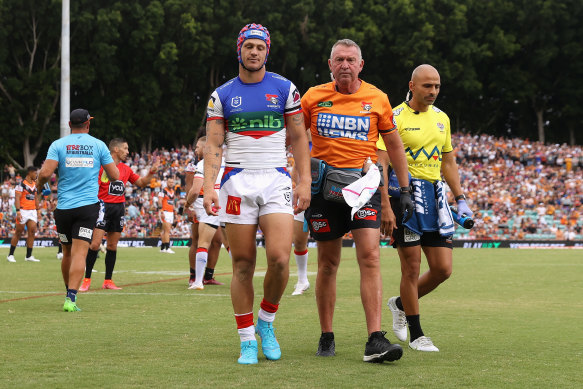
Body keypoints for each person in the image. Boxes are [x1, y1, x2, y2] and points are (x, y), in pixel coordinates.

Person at [202, 23, 311, 365]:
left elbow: (298, 138)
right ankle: (247, 339)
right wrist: (209, 186)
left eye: (260, 48)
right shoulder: (221, 95)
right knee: (244, 264)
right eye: (249, 46)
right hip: (236, 180)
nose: (254, 52)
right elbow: (214, 144)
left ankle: (266, 321)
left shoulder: (285, 89)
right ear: (239, 50)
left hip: (275, 178)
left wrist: (304, 180)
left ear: (267, 51)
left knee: (280, 258)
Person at [301, 39, 413, 363]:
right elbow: (293, 138)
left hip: (363, 189)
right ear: (330, 64)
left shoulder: (377, 98)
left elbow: (394, 147)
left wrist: (403, 190)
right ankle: (326, 335)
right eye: (340, 60)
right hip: (323, 191)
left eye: (351, 60)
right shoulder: (313, 97)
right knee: (328, 263)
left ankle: (374, 339)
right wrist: (296, 179)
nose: (345, 65)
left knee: (371, 257)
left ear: (360, 65)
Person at [381, 64, 473, 352]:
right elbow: (382, 161)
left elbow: (448, 162)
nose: (432, 91)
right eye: (427, 86)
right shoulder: (394, 117)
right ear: (412, 85)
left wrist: (461, 198)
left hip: (434, 197)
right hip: (404, 196)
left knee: (443, 269)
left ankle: (399, 304)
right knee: (411, 267)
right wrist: (386, 202)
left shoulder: (442, 118)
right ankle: (418, 334)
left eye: (436, 86)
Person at [36, 108, 119, 312]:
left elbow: (46, 173)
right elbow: (115, 175)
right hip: (87, 207)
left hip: (64, 207)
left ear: (70, 125)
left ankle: (68, 291)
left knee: (67, 253)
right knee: (80, 253)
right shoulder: (98, 145)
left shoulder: (58, 144)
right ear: (88, 124)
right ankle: (71, 298)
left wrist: (39, 186)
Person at [79, 138, 159, 292]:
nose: (128, 152)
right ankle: (86, 279)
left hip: (118, 209)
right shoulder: (100, 168)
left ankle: (108, 280)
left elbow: (141, 183)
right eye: (125, 148)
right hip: (102, 208)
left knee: (112, 246)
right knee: (95, 244)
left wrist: (151, 172)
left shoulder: (126, 169)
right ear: (116, 150)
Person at [184, 139, 225, 290]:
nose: (195, 150)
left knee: (217, 241)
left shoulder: (216, 161)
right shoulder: (193, 164)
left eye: (197, 147)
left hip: (212, 201)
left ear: (205, 147)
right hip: (199, 202)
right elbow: (190, 186)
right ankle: (194, 276)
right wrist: (189, 207)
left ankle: (208, 276)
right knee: (197, 240)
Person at [6, 166, 41, 262]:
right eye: (35, 173)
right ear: (30, 173)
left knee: (32, 232)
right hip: (23, 211)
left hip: (32, 211)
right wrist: (18, 211)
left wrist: (38, 211)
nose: (36, 175)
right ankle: (10, 255)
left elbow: (36, 198)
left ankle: (29, 256)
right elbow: (17, 198)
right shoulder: (21, 184)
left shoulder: (35, 184)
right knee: (18, 232)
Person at [158, 177, 177, 253]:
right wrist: (161, 212)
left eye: (172, 182)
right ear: (167, 183)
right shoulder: (162, 191)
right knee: (167, 230)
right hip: (165, 212)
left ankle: (162, 248)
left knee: (164, 231)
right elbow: (159, 202)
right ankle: (167, 248)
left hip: (171, 212)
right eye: (170, 182)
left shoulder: (173, 191)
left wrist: (175, 213)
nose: (171, 184)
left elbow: (173, 203)